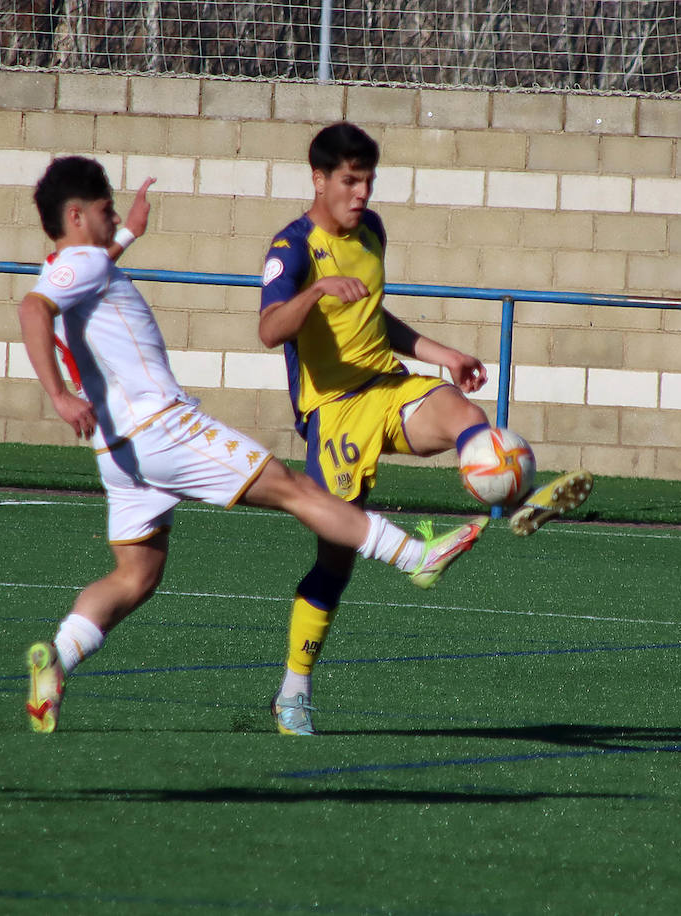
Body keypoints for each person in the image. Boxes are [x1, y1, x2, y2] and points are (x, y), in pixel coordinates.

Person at [18, 156, 485, 734]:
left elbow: (82, 275)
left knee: (136, 575)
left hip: (120, 453)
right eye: (106, 210)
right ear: (76, 214)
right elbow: (32, 308)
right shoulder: (78, 266)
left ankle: (57, 661)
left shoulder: (79, 264)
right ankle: (416, 557)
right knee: (294, 488)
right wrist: (59, 396)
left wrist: (130, 233)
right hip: (163, 428)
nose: (114, 217)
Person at [258, 122, 593, 736]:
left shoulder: (373, 231)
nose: (361, 194)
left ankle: (518, 497)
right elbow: (271, 329)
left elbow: (373, 318)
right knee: (335, 560)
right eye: (350, 181)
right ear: (319, 180)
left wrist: (443, 355)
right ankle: (293, 693)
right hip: (332, 411)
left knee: (472, 419)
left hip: (388, 384)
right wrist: (317, 291)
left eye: (368, 181)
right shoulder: (293, 249)